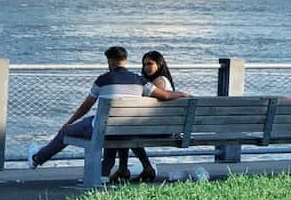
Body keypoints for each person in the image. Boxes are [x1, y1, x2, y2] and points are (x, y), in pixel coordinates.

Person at [27, 45, 187, 172]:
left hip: (102, 127)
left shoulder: (103, 80)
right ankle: (104, 173)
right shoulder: (140, 81)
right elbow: (165, 96)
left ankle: (36, 159)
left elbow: (85, 106)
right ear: (125, 60)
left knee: (66, 132)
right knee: (111, 132)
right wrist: (183, 94)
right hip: (126, 128)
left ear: (110, 61)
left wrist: (69, 123)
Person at [108, 50, 176, 183]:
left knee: (124, 130)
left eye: (150, 64)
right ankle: (130, 168)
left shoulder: (158, 82)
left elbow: (142, 104)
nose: (146, 67)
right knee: (125, 129)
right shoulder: (162, 81)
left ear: (160, 64)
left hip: (159, 129)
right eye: (144, 64)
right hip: (163, 127)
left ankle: (133, 168)